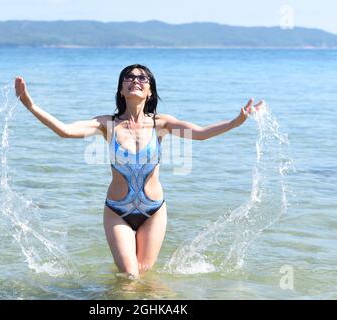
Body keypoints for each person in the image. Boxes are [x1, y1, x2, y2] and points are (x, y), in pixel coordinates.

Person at [14, 64, 263, 278]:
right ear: (121, 90)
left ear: (150, 90)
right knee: (130, 275)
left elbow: (199, 133)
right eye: (129, 77)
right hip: (117, 211)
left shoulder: (160, 123)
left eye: (142, 77)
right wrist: (30, 104)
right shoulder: (106, 124)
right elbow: (65, 130)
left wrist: (235, 122)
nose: (135, 80)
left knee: (142, 272)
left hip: (153, 211)